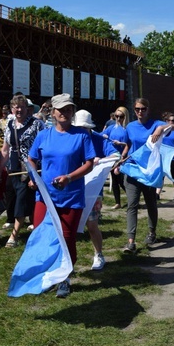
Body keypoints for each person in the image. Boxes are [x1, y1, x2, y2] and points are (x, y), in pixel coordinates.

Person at [28, 94, 95, 297]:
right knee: (42, 236)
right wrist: (34, 177)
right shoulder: (43, 135)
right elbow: (32, 159)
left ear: (72, 111)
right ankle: (48, 276)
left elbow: (89, 164)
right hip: (46, 197)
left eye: (68, 109)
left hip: (71, 196)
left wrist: (69, 177)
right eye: (60, 110)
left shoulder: (82, 135)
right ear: (53, 112)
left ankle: (64, 278)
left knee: (67, 239)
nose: (64, 113)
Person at [0, 95, 46, 247]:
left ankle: (14, 237)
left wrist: (36, 174)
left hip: (29, 167)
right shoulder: (9, 124)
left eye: (22, 106)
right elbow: (5, 149)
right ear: (12, 109)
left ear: (27, 109)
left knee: (22, 199)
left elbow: (44, 148)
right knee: (12, 197)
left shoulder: (37, 124)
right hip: (13, 168)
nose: (18, 109)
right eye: (15, 107)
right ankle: (35, 224)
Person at [119, 97, 167, 253]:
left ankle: (152, 232)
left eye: (143, 109)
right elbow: (128, 144)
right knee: (132, 205)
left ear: (148, 109)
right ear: (134, 110)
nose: (140, 112)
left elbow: (173, 126)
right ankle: (130, 241)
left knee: (150, 203)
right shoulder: (131, 127)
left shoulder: (155, 124)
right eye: (137, 109)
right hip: (132, 169)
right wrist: (122, 158)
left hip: (148, 171)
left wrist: (160, 130)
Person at [73, 109, 118, 271]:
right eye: (79, 127)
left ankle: (98, 254)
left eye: (84, 127)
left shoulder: (99, 139)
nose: (81, 130)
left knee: (92, 224)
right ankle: (67, 259)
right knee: (70, 226)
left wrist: (100, 161)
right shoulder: (71, 138)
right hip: (72, 187)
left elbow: (115, 155)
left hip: (92, 190)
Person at [102, 106, 129, 209]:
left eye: (120, 116)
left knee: (122, 180)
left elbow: (130, 143)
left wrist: (121, 143)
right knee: (114, 180)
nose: (118, 118)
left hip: (123, 157)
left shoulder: (127, 128)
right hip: (112, 156)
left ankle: (132, 198)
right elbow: (102, 135)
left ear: (125, 116)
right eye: (116, 116)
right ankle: (118, 202)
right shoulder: (112, 127)